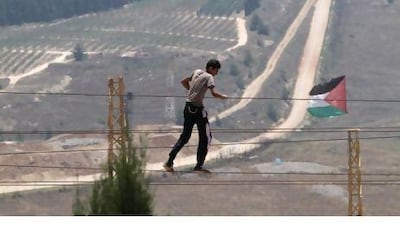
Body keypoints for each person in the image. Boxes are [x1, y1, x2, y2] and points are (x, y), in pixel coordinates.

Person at [163, 59, 228, 173]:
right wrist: (223, 96)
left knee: (185, 137)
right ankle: (199, 166)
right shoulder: (209, 77)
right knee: (206, 137)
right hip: (197, 110)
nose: (216, 73)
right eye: (216, 70)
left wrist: (192, 91)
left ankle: (169, 162)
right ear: (211, 68)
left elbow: (183, 81)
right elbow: (213, 93)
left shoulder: (196, 71)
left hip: (187, 107)